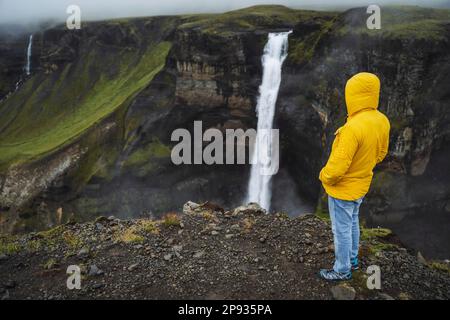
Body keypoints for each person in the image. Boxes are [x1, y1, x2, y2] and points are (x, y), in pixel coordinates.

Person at [318, 72, 390, 281]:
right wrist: (363, 165)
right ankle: (353, 259)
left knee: (341, 230)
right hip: (362, 183)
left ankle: (342, 270)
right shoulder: (381, 120)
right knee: (352, 222)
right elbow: (381, 153)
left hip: (343, 189)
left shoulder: (351, 128)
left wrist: (324, 176)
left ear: (353, 95)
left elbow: (337, 167)